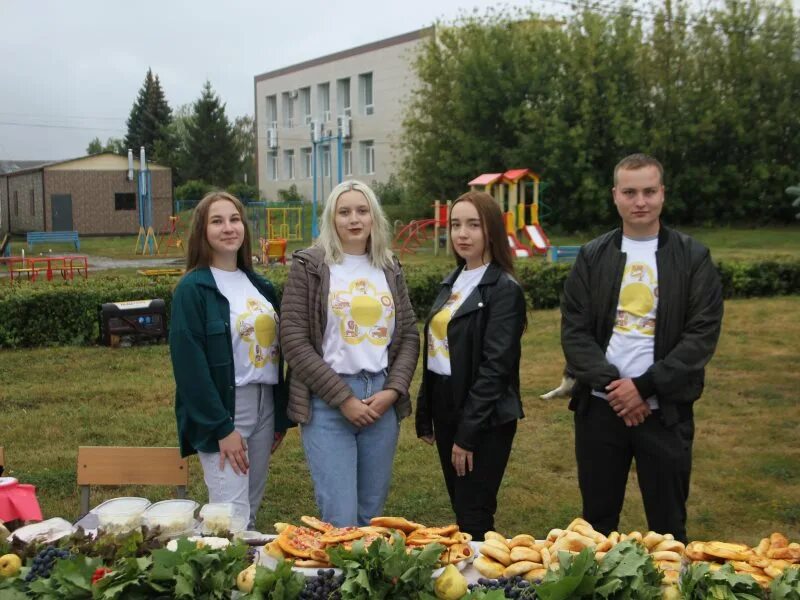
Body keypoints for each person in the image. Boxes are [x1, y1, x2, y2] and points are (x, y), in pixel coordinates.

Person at [560, 153, 724, 543]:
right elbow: (574, 331)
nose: (640, 202)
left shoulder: (693, 257)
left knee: (668, 529)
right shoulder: (592, 255)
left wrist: (645, 387)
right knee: (597, 527)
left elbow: (700, 336)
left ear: (662, 194)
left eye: (649, 191)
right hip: (601, 410)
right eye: (630, 192)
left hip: (665, 414)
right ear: (615, 195)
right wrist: (618, 389)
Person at [279, 180, 419, 527]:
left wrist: (392, 391)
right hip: (329, 403)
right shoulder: (310, 266)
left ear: (374, 217)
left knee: (372, 517)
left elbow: (410, 336)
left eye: (362, 210)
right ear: (331, 219)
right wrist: (343, 399)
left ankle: (362, 581)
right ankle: (338, 579)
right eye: (344, 212)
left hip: (380, 402)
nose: (353, 219)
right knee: (340, 519)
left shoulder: (388, 266)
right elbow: (293, 339)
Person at [169, 191, 291, 529]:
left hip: (264, 404)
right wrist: (221, 427)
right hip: (226, 408)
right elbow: (189, 368)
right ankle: (219, 576)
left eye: (234, 219)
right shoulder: (193, 290)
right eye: (217, 221)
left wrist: (279, 416)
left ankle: (241, 575)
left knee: (249, 509)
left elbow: (277, 354)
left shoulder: (261, 286)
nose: (228, 228)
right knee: (229, 515)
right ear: (202, 231)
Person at [415, 191, 527, 541]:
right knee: (462, 509)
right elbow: (437, 351)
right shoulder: (454, 280)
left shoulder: (503, 289)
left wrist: (467, 435)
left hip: (484, 416)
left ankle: (485, 587)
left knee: (475, 514)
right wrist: (427, 411)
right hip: (448, 406)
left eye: (473, 225)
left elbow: (496, 369)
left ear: (491, 230)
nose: (462, 234)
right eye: (456, 225)